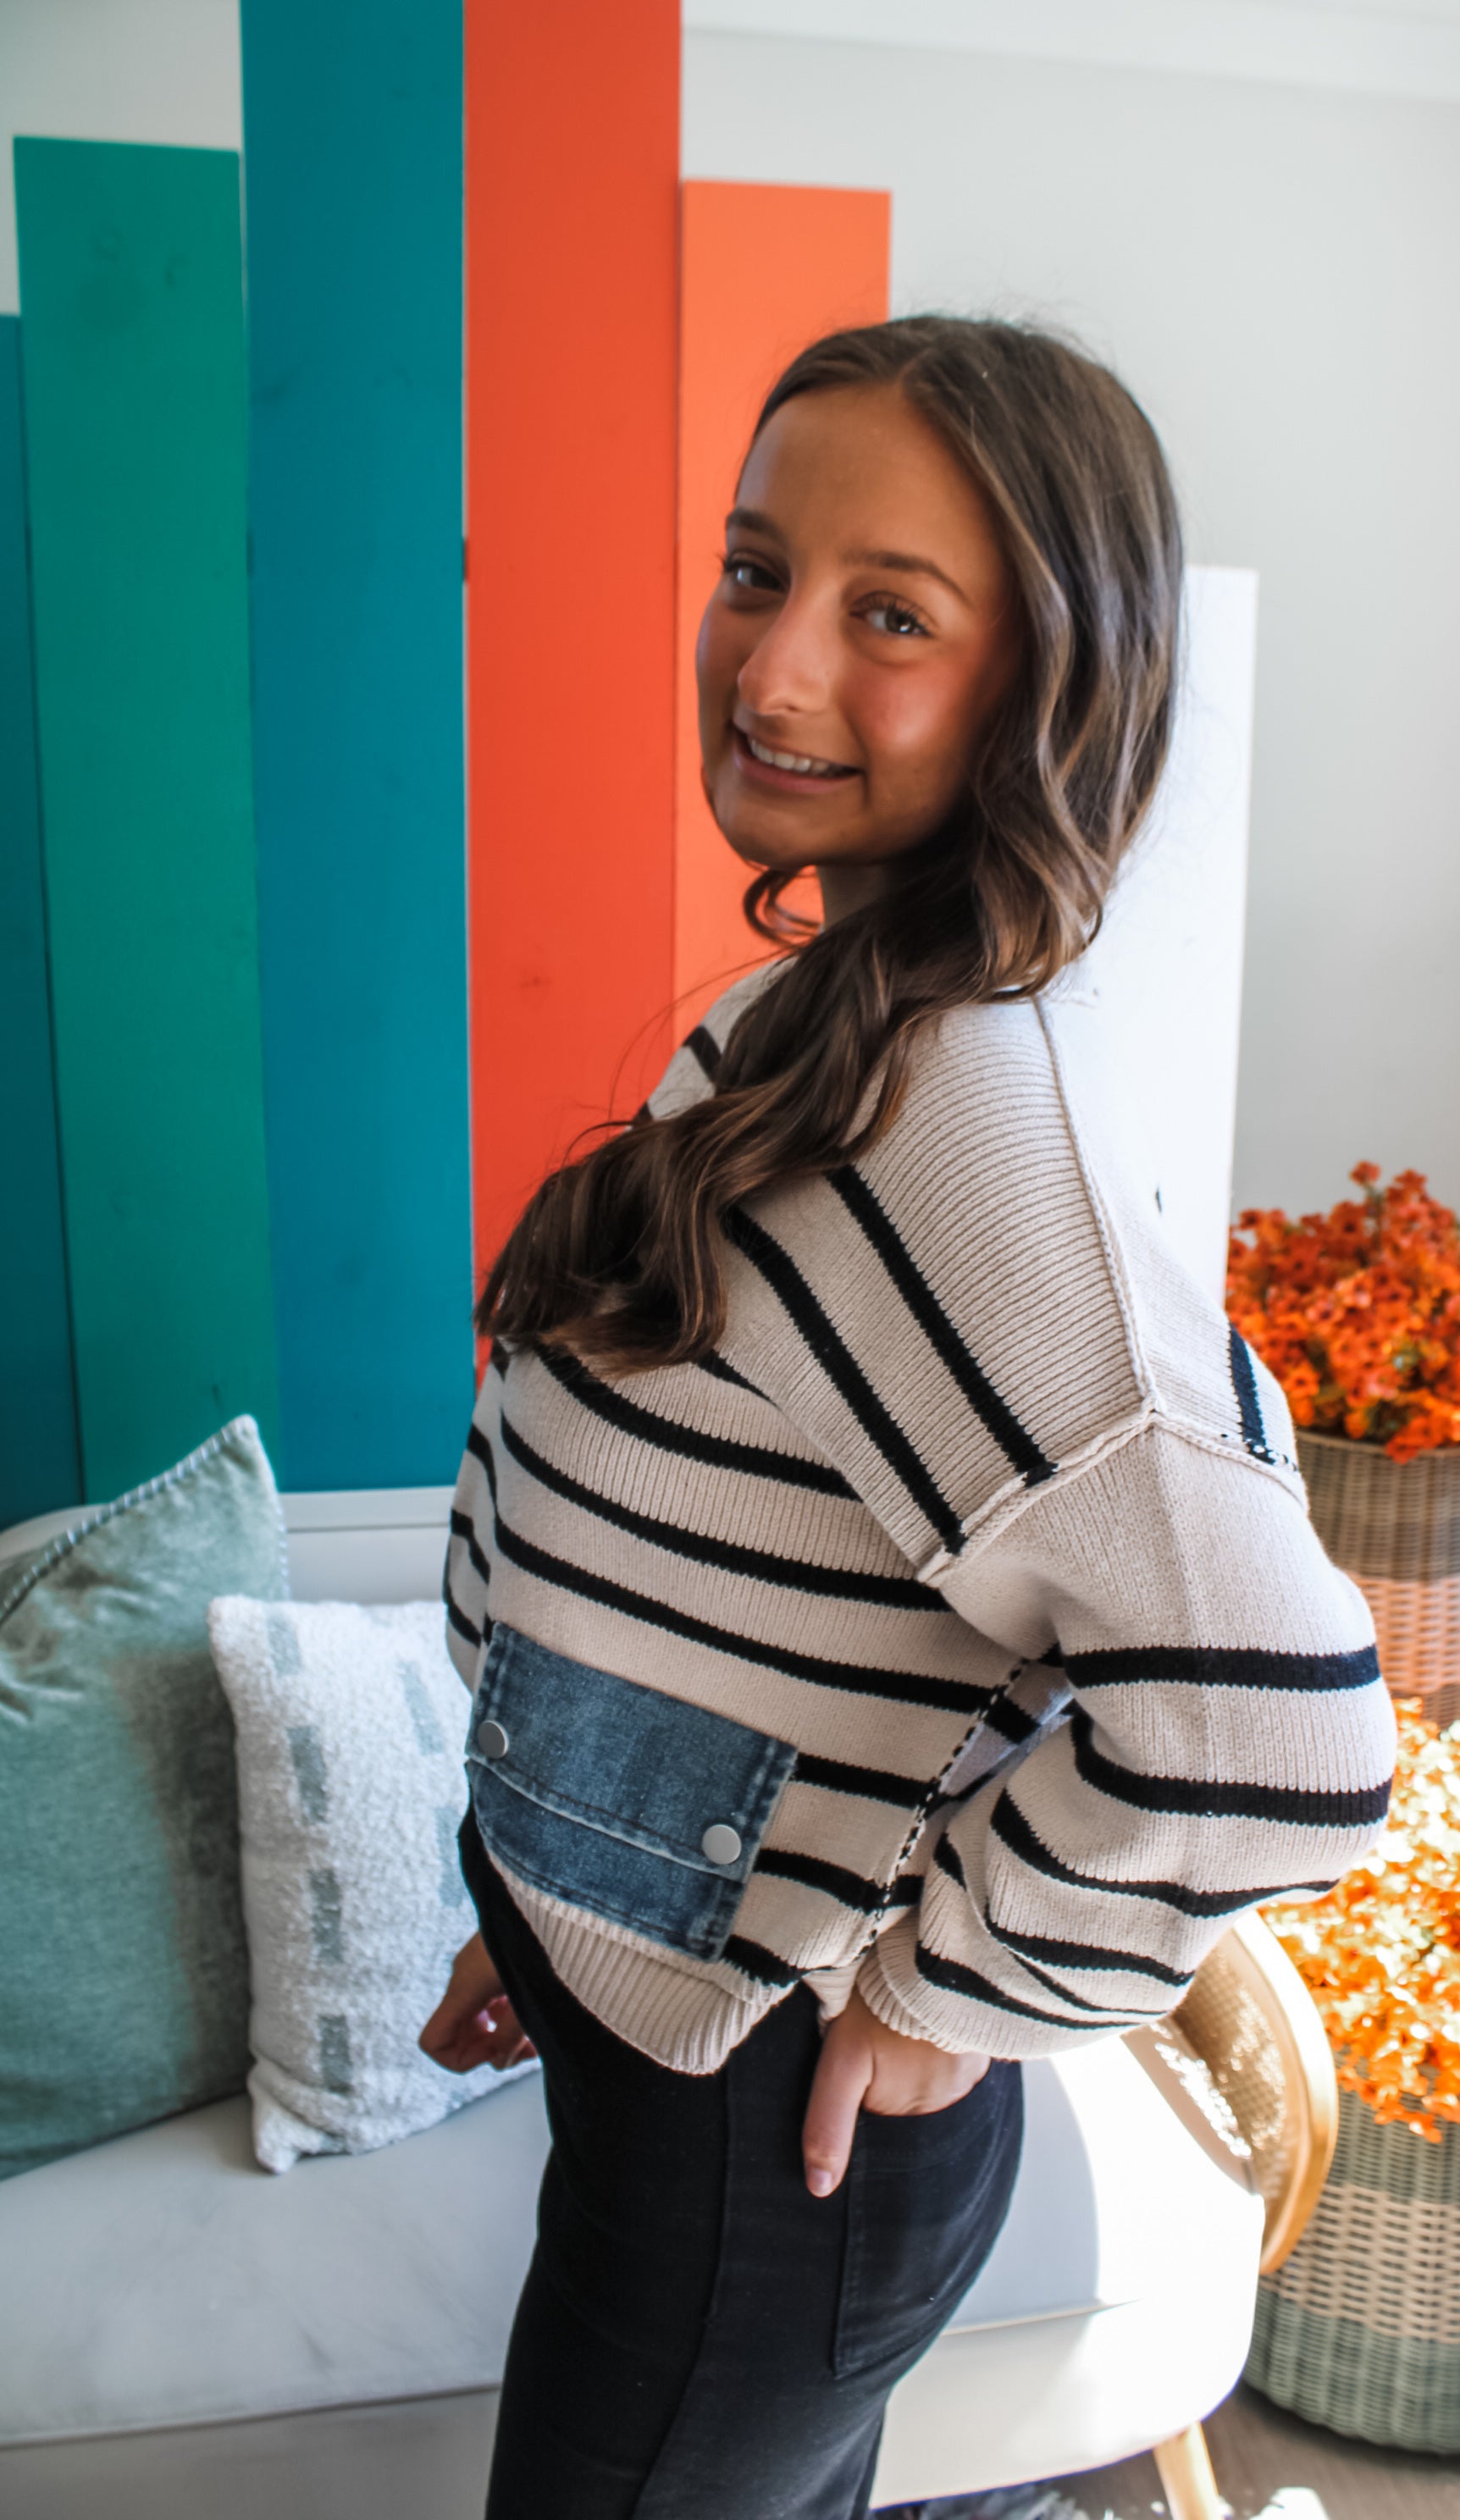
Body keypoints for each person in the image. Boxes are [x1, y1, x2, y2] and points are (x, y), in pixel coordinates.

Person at [419, 316, 1396, 2520]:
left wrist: (948, 1995)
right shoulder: (811, 1032)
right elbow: (697, 1584)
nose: (770, 670)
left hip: (766, 2169)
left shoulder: (952, 1127)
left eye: (890, 617)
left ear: (1050, 684)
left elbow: (1275, 1726)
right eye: (758, 572)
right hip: (671, 2068)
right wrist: (559, 1902)